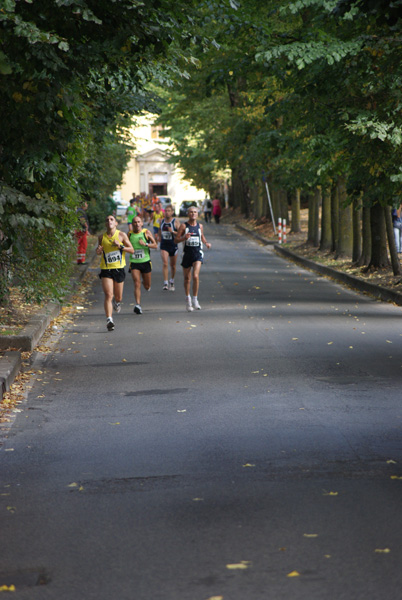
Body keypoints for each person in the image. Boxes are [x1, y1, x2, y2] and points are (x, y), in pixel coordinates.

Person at [97, 215, 134, 331]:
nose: (109, 221)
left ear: (116, 223)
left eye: (111, 219)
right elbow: (99, 251)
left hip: (118, 269)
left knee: (118, 297)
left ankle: (117, 303)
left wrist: (121, 246)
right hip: (106, 269)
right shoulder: (101, 237)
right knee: (109, 294)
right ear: (105, 224)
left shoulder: (121, 235)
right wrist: (98, 251)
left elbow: (132, 250)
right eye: (107, 220)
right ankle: (109, 319)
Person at [175, 206, 211, 312]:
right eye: (191, 212)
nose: (193, 214)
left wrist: (206, 243)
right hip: (187, 254)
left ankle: (195, 299)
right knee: (187, 279)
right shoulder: (183, 226)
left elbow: (202, 236)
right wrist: (183, 238)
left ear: (197, 214)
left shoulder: (200, 226)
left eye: (195, 212)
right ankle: (188, 299)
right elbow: (176, 240)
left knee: (195, 275)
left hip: (197, 254)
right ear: (188, 214)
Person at [128, 215, 158, 314]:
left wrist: (145, 244)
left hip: (145, 262)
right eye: (135, 222)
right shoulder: (129, 234)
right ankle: (137, 305)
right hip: (134, 262)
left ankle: (146, 285)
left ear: (141, 223)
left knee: (146, 285)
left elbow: (155, 245)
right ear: (132, 224)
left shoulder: (146, 233)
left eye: (138, 222)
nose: (137, 224)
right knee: (136, 282)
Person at [159, 204, 180, 291]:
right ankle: (165, 283)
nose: (167, 213)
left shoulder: (175, 222)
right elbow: (160, 231)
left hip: (173, 245)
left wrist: (173, 232)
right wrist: (158, 239)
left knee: (173, 265)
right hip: (164, 245)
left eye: (168, 211)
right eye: (165, 211)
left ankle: (172, 280)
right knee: (165, 263)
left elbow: (180, 234)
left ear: (172, 212)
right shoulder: (161, 221)